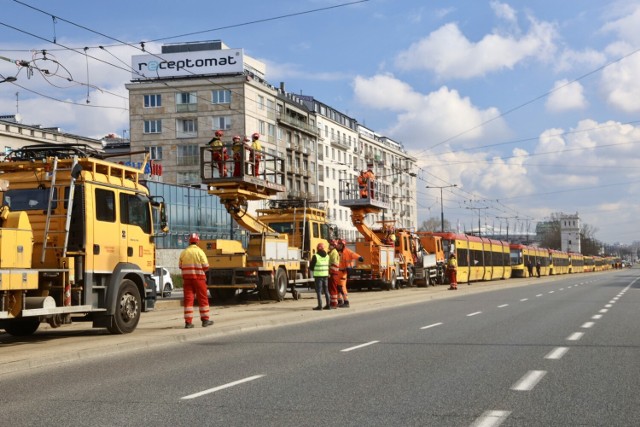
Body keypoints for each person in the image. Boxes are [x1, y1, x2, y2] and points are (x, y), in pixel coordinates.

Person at [179, 233, 214, 328]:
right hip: (199, 279)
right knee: (203, 299)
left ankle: (188, 322)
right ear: (197, 241)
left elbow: (180, 266)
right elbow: (206, 267)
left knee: (188, 300)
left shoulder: (184, 252)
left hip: (187, 280)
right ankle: (205, 320)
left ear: (189, 242)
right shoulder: (200, 252)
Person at [336, 239, 364, 307]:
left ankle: (346, 302)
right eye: (338, 244)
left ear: (343, 245)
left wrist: (359, 257)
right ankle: (339, 300)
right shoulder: (336, 252)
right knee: (337, 287)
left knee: (342, 287)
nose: (338, 245)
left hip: (343, 272)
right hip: (337, 272)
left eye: (340, 244)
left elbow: (353, 254)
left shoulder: (347, 251)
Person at [309, 242, 331, 310]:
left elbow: (311, 267)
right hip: (325, 275)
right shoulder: (327, 256)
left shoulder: (315, 256)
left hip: (318, 276)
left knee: (319, 291)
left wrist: (311, 267)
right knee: (326, 291)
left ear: (318, 248)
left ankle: (320, 306)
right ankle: (328, 305)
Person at [328, 239, 341, 308]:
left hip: (333, 273)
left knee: (333, 288)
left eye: (331, 245)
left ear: (334, 246)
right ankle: (332, 303)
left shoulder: (334, 253)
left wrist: (330, 272)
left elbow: (334, 264)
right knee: (331, 288)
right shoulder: (332, 252)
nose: (329, 246)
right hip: (333, 273)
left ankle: (334, 304)